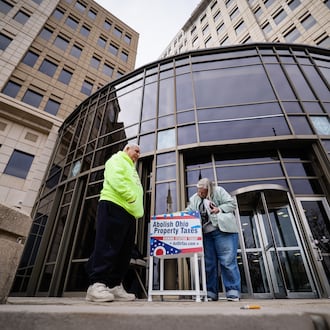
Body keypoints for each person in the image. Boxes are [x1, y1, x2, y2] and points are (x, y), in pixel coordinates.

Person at [85, 143, 144, 302]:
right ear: (127, 149)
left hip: (129, 212)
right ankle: (96, 284)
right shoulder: (117, 159)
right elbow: (115, 178)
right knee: (108, 246)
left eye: (139, 153)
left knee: (123, 252)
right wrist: (130, 196)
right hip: (114, 204)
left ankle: (114, 285)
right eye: (136, 151)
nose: (138, 155)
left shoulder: (131, 168)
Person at [186, 178, 241, 302]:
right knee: (209, 264)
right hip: (206, 234)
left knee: (227, 261)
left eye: (203, 192)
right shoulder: (194, 198)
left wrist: (219, 209)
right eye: (199, 191)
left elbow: (232, 204)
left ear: (209, 189)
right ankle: (211, 293)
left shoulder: (219, 191)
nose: (200, 194)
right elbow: (189, 211)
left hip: (223, 231)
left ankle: (233, 292)